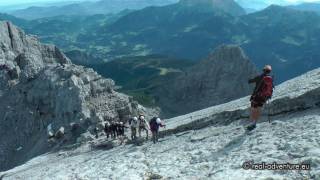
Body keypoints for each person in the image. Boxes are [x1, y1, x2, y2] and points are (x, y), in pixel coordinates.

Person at [247, 65, 274, 131]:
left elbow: (250, 81)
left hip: (256, 96)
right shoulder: (270, 78)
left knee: (253, 109)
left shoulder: (260, 77)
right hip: (264, 97)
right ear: (269, 71)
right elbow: (271, 88)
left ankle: (252, 124)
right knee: (259, 109)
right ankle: (254, 123)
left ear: (263, 70)